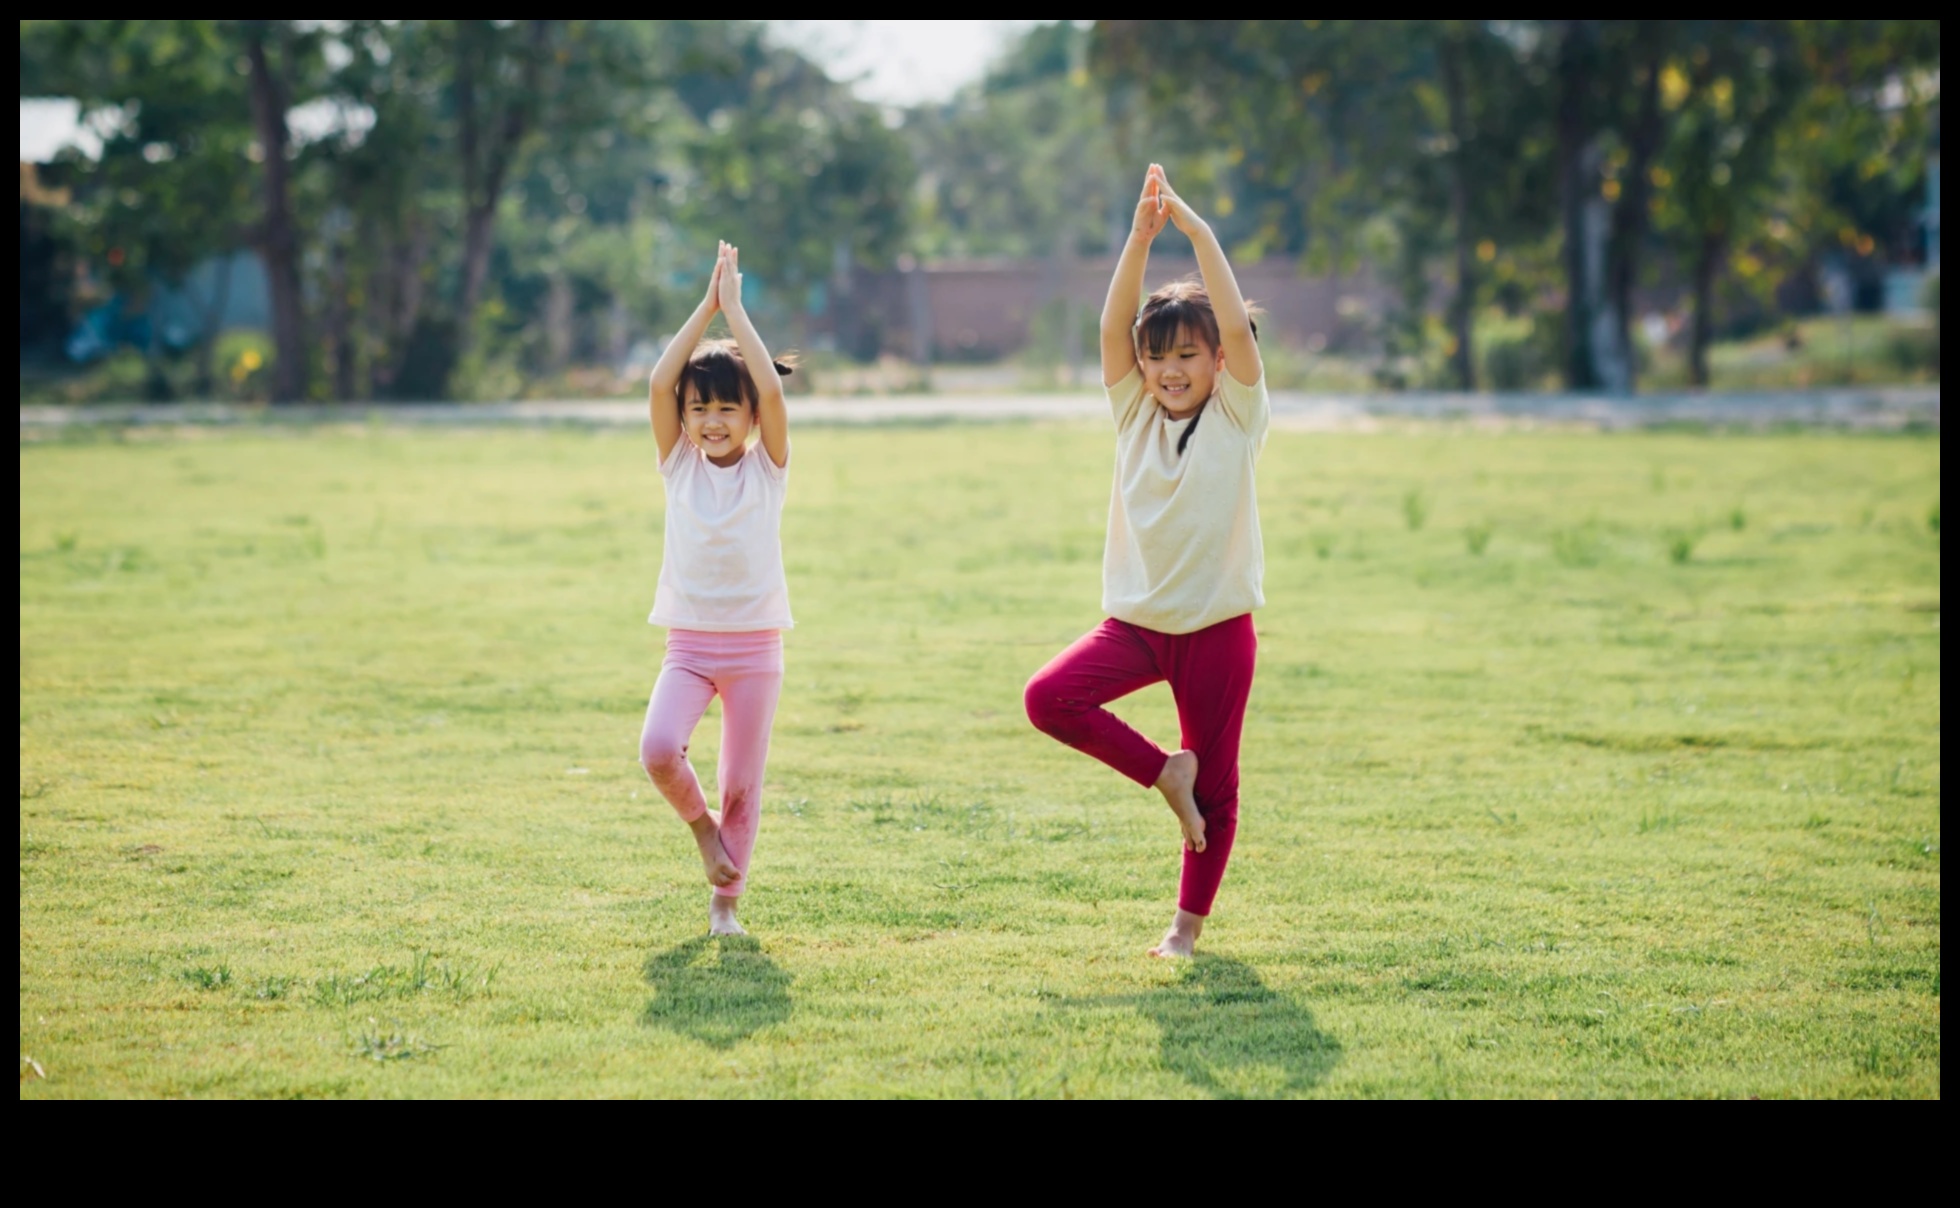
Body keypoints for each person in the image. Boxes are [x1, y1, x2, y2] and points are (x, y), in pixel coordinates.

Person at [1024, 165, 1269, 958]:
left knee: (1220, 790)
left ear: (1218, 364)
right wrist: (1138, 239)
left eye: (1188, 356)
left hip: (1217, 630)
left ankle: (1185, 930)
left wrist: (1197, 236)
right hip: (1135, 626)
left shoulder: (1237, 414)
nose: (1170, 370)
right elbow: (1109, 331)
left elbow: (1235, 329)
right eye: (1158, 356)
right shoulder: (1133, 413)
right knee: (1048, 699)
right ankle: (1165, 773)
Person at [640, 241, 793, 937]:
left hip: (756, 649)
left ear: (750, 417)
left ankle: (725, 905)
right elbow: (656, 384)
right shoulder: (678, 465)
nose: (711, 421)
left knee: (742, 785)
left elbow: (772, 389)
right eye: (700, 408)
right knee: (657, 750)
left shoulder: (768, 469)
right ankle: (704, 835)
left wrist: (738, 313)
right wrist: (706, 310)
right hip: (690, 646)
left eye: (727, 409)